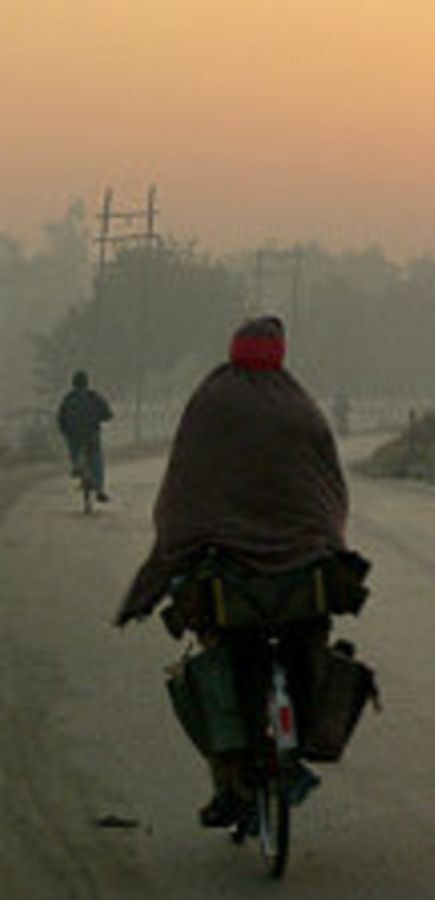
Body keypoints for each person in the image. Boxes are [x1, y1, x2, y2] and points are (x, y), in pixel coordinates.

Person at [116, 316, 356, 827]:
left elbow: (183, 494)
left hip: (232, 579)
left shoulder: (211, 404)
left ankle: (228, 782)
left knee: (218, 659)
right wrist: (326, 545)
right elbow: (331, 497)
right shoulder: (301, 408)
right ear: (280, 354)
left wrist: (153, 581)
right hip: (301, 577)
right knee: (308, 644)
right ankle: (302, 736)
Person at [57, 370, 113, 501]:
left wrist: (64, 430)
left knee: (73, 448)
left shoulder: (68, 398)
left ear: (73, 383)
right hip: (91, 434)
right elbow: (107, 413)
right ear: (87, 382)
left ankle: (76, 465)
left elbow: (60, 418)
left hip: (73, 435)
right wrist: (105, 417)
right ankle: (100, 489)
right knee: (97, 458)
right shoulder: (94, 396)